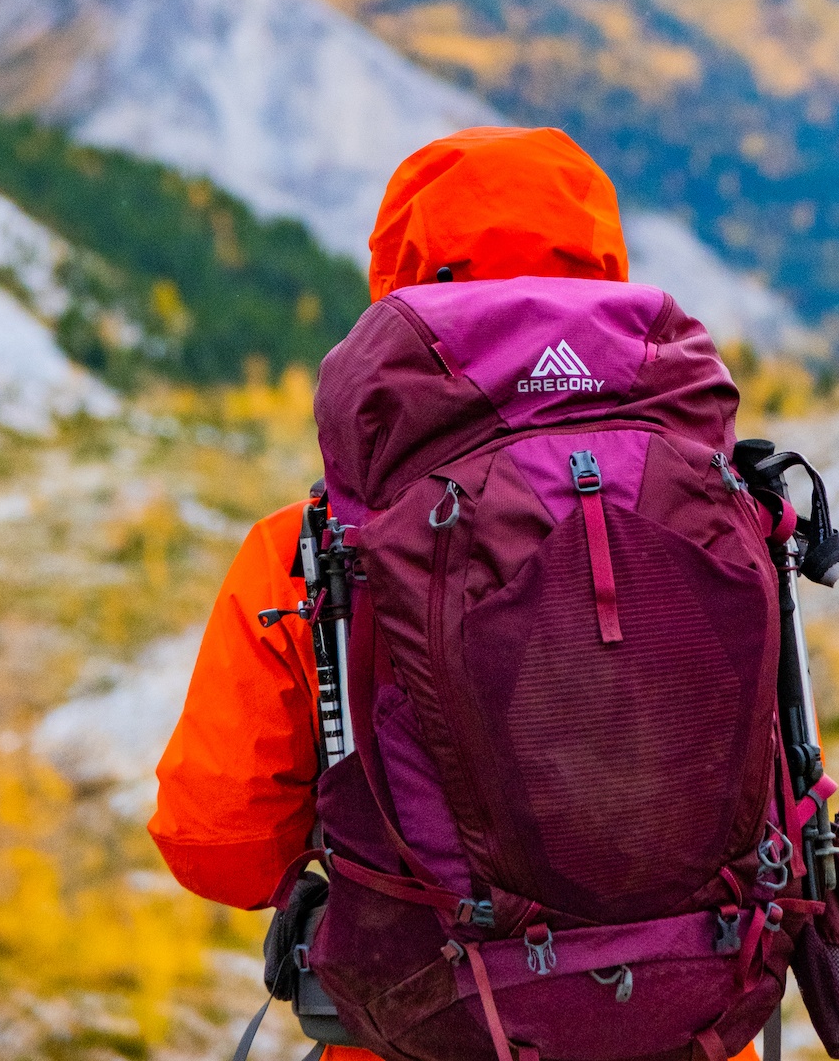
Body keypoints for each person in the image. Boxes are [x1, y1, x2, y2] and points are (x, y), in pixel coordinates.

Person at [150, 125, 759, 1061]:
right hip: (691, 1022)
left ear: (400, 278)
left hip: (429, 1023)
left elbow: (216, 844)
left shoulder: (309, 548)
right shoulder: (717, 514)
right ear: (605, 270)